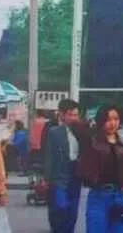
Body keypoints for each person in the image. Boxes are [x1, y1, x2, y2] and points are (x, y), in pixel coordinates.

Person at [77, 104, 123, 232]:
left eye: (116, 119)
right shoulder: (92, 141)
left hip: (121, 196)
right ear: (101, 121)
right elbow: (78, 128)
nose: (113, 123)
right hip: (98, 196)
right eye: (108, 119)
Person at [45, 99, 81, 233]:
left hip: (76, 176)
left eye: (76, 115)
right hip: (59, 176)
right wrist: (47, 178)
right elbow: (49, 155)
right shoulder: (54, 132)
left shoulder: (82, 131)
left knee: (72, 212)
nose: (73, 118)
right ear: (62, 115)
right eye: (70, 115)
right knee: (60, 207)